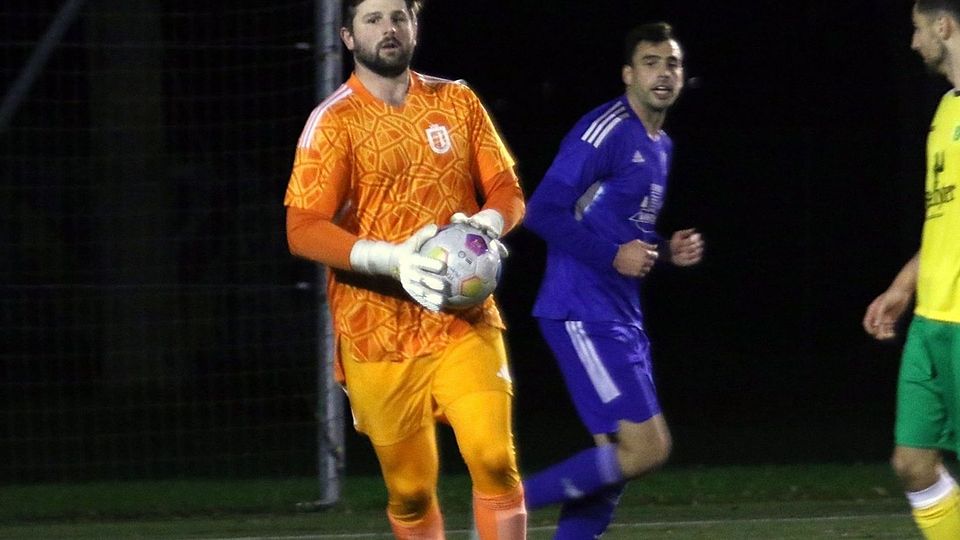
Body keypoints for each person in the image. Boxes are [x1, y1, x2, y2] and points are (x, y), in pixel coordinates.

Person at [283, 1, 527, 538]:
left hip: (462, 319)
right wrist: (389, 259)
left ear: (415, 26)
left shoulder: (457, 101)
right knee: (411, 492)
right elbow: (301, 228)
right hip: (376, 333)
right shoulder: (334, 122)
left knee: (492, 459)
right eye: (373, 19)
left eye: (399, 16)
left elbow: (507, 191)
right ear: (348, 36)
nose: (388, 29)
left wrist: (486, 224)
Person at [520, 22, 704, 538]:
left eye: (672, 63)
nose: (663, 73)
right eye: (650, 62)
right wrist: (611, 255)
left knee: (614, 464)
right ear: (628, 74)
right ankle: (503, 506)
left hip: (619, 314)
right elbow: (541, 212)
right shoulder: (603, 131)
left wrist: (668, 251)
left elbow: (626, 235)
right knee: (648, 448)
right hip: (581, 310)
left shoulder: (660, 144)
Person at [862, 2, 960, 538]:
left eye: (918, 29)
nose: (914, 42)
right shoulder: (945, 111)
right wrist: (902, 286)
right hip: (931, 322)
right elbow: (942, 220)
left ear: (943, 26)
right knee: (913, 463)